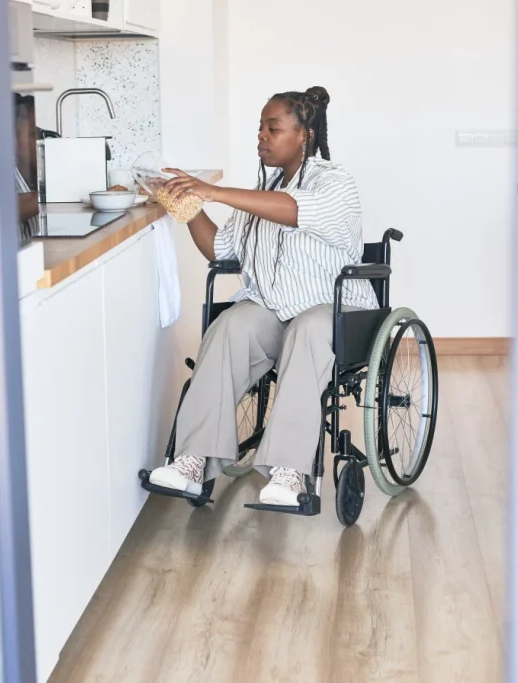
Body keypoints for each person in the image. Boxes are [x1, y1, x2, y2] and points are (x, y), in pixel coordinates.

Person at [147, 86, 378, 507]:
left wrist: (212, 191)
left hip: (333, 310)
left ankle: (289, 474)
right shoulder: (263, 189)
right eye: (260, 128)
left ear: (304, 135)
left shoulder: (335, 182)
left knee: (308, 330)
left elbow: (293, 210)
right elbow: (220, 250)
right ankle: (192, 462)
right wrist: (185, 204)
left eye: (273, 128)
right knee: (232, 325)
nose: (262, 137)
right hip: (274, 311)